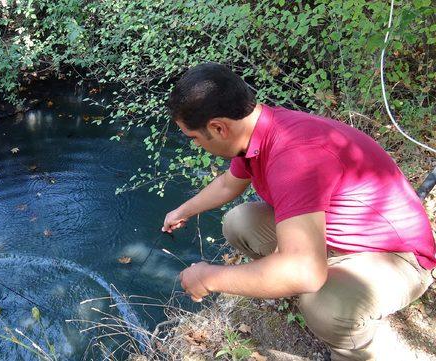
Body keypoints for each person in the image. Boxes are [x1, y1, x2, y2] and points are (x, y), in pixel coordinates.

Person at [162, 62, 435, 360]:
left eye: (194, 138)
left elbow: (305, 271)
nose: (197, 145)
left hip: (397, 257)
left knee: (325, 308)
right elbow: (229, 184)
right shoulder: (259, 131)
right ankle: (298, 285)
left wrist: (208, 277)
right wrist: (182, 210)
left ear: (218, 127)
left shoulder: (295, 155)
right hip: (334, 237)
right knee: (240, 221)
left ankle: (359, 350)